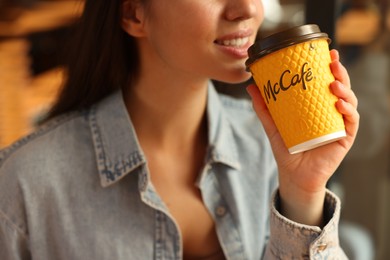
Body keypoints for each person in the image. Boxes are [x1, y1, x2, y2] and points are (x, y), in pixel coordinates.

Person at [0, 0, 359, 259]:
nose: (247, 8)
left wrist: (303, 193)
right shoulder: (24, 184)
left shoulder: (271, 146)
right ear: (133, 13)